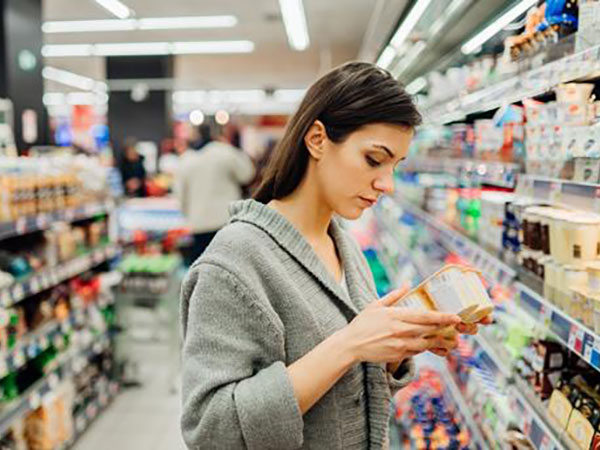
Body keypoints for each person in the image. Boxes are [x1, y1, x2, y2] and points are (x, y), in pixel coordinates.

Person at [180, 62, 490, 450]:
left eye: (395, 165)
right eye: (374, 159)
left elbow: (343, 396)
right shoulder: (233, 262)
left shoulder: (343, 245)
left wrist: (397, 345)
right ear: (317, 139)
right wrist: (349, 344)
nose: (386, 184)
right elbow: (211, 430)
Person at [174, 121, 255, 264]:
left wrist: (189, 216)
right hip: (226, 221)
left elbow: (180, 195)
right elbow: (247, 174)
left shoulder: (186, 160)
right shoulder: (225, 152)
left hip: (199, 224)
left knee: (202, 273)